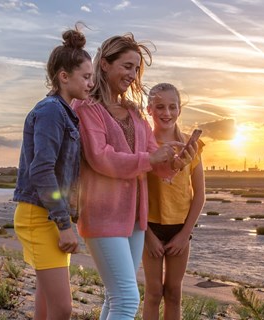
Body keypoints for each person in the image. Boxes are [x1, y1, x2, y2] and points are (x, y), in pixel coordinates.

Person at [71, 33, 195, 320]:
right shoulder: (88, 108)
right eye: (126, 66)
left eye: (136, 68)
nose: (132, 74)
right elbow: (100, 158)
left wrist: (176, 164)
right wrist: (150, 159)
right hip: (103, 214)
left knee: (115, 298)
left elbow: (155, 162)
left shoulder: (134, 112)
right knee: (128, 299)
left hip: (135, 220)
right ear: (104, 64)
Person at [12, 24, 93, 320]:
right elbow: (42, 170)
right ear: (64, 76)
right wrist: (63, 224)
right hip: (40, 217)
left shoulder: (66, 113)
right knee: (62, 308)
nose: (90, 83)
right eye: (85, 76)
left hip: (47, 216)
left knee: (46, 306)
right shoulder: (50, 112)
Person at [142, 83, 206, 320]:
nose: (166, 113)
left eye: (172, 107)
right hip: (150, 227)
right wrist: (147, 234)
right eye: (160, 107)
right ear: (149, 109)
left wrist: (185, 234)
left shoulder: (192, 145)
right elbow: (136, 194)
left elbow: (199, 193)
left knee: (173, 292)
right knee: (153, 292)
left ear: (180, 110)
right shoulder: (143, 144)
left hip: (180, 228)